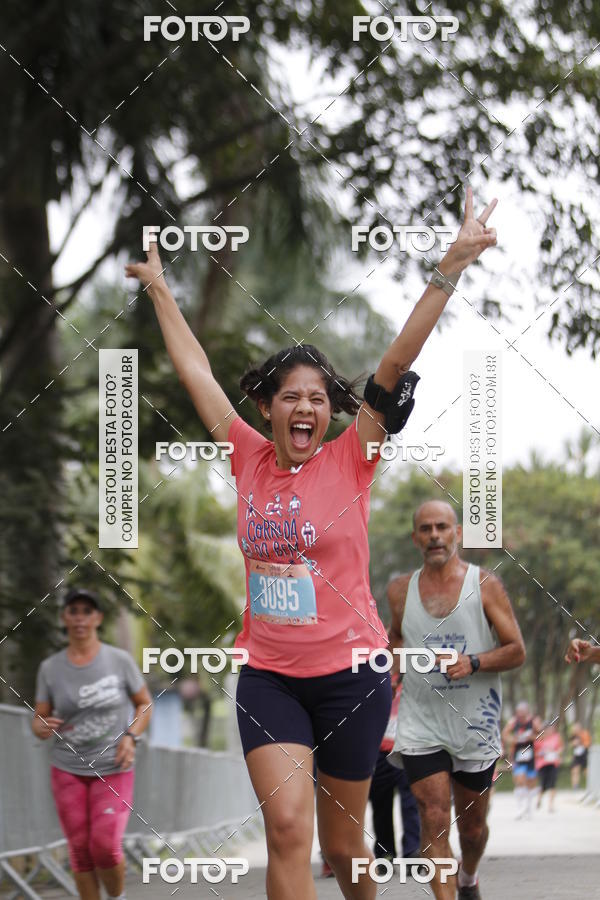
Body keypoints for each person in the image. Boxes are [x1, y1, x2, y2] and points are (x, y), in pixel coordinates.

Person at [125, 187, 497, 899]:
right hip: (269, 677)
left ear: (332, 412)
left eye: (319, 398)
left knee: (344, 847)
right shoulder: (245, 455)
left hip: (352, 678)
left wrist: (450, 265)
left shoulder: (354, 457)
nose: (306, 407)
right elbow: (196, 372)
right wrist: (160, 289)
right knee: (288, 831)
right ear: (267, 407)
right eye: (291, 396)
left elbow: (396, 359)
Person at [387, 500, 525, 900]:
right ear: (415, 538)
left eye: (442, 527)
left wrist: (473, 662)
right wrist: (391, 669)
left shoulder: (484, 585)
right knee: (432, 817)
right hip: (421, 720)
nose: (434, 536)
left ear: (457, 533)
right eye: (426, 529)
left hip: (474, 723)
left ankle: (468, 877)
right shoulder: (400, 590)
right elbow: (396, 636)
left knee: (472, 829)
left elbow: (516, 650)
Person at [32, 589, 152, 900]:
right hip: (67, 768)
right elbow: (40, 716)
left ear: (98, 618)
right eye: (73, 611)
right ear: (64, 617)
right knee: (80, 850)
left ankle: (117, 896)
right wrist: (40, 726)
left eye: (87, 611)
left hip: (112, 765)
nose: (80, 618)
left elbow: (144, 704)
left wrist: (131, 737)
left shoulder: (119, 661)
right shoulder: (50, 668)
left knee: (105, 846)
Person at [368, 676, 421, 867]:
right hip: (379, 750)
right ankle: (385, 853)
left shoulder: (412, 676)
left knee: (411, 802)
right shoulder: (373, 676)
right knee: (380, 803)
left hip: (407, 747)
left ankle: (412, 851)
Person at [502, 702, 539, 820]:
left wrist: (530, 737)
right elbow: (505, 734)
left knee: (531, 783)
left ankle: (528, 808)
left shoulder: (533, 722)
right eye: (519, 712)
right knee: (520, 780)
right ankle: (520, 808)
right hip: (518, 755)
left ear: (527, 711)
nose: (521, 714)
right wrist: (514, 739)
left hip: (532, 756)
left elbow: (541, 734)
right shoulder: (513, 722)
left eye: (523, 712)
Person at [534, 720, 563, 812]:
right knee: (543, 784)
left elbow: (560, 748)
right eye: (548, 729)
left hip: (553, 763)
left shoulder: (556, 737)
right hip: (542, 764)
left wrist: (557, 752)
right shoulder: (539, 738)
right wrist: (542, 753)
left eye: (551, 728)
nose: (550, 730)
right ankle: (539, 799)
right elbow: (535, 752)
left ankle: (551, 805)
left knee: (553, 784)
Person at [569, 721, 591, 789]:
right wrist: (574, 743)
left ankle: (591, 784)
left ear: (580, 727)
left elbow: (588, 744)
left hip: (584, 754)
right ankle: (575, 786)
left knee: (586, 771)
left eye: (577, 727)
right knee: (575, 770)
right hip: (576, 755)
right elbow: (571, 745)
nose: (576, 729)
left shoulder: (585, 733)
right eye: (575, 728)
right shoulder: (573, 735)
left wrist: (580, 742)